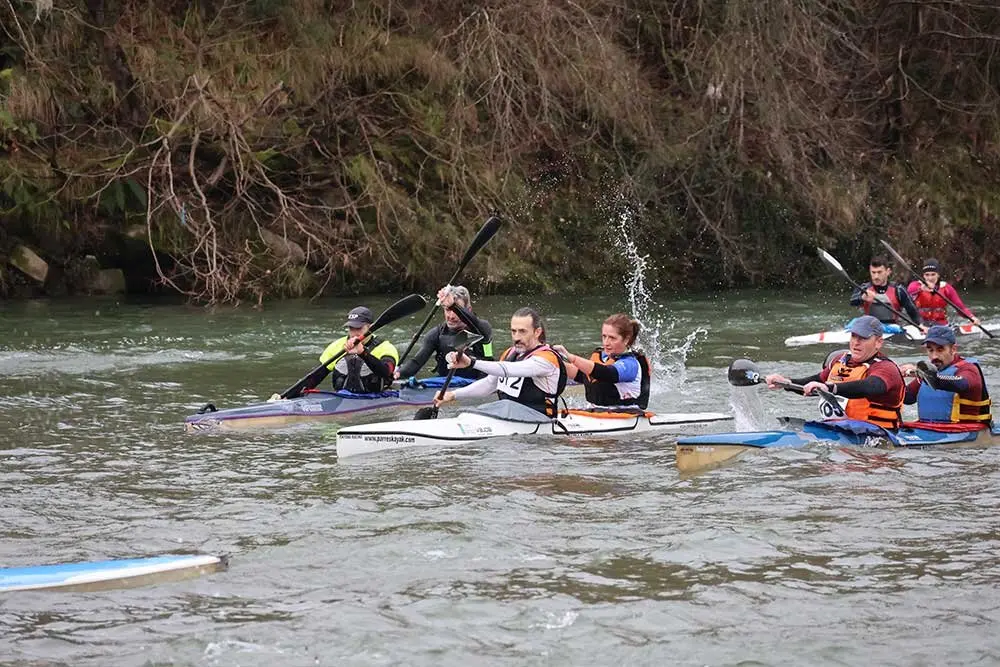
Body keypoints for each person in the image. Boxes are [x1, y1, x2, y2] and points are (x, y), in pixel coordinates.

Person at [765, 315, 906, 429]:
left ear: (878, 342)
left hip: (879, 434)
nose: (856, 342)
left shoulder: (886, 368)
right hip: (840, 428)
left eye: (863, 338)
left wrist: (830, 388)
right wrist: (786, 383)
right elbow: (816, 382)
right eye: (853, 336)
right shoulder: (840, 360)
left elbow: (871, 386)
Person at [434, 307, 566, 416]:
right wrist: (453, 395)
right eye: (513, 331)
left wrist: (472, 363)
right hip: (507, 417)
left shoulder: (546, 359)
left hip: (539, 421)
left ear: (537, 332)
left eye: (522, 332)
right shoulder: (510, 353)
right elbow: (489, 384)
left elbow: (508, 370)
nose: (516, 337)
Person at [551, 313, 652, 410]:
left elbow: (606, 373)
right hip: (598, 412)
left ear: (626, 340)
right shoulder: (604, 358)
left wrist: (571, 357)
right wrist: (553, 361)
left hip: (627, 415)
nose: (606, 343)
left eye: (612, 338)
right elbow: (581, 375)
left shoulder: (630, 364)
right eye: (604, 336)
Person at [395, 285, 494, 381]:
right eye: (447, 310)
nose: (451, 316)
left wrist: (453, 306)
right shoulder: (436, 334)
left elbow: (474, 322)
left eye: (455, 311)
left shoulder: (482, 328)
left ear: (468, 310)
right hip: (445, 383)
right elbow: (416, 363)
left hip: (478, 382)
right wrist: (397, 374)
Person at [899, 325, 991, 427]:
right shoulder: (929, 372)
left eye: (940, 350)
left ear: (953, 349)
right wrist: (895, 377)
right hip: (928, 429)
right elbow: (907, 398)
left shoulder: (969, 369)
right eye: (930, 350)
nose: (934, 356)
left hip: (964, 431)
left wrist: (919, 372)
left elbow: (960, 384)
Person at [312, 306, 398, 394]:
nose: (354, 333)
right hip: (343, 397)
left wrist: (363, 353)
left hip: (376, 397)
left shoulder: (386, 348)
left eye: (359, 328)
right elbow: (316, 377)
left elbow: (387, 372)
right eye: (351, 328)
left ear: (370, 328)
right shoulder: (336, 346)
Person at [849, 255, 925, 328]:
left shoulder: (898, 289)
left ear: (888, 272)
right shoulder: (864, 288)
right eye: (873, 272)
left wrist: (920, 325)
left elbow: (913, 311)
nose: (876, 276)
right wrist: (862, 298)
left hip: (892, 328)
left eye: (879, 272)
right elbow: (852, 301)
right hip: (870, 328)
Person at [906, 258, 980, 326]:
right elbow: (909, 293)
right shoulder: (915, 285)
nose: (930, 278)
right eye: (927, 275)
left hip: (941, 325)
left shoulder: (946, 288)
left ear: (938, 275)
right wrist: (921, 288)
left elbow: (961, 308)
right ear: (923, 275)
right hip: (920, 325)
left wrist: (972, 317)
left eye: (933, 274)